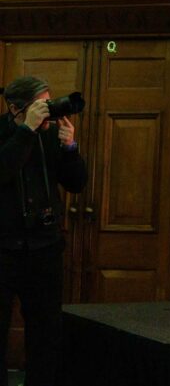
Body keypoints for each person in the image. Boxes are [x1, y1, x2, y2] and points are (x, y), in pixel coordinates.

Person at [0, 76, 87, 386]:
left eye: (49, 102)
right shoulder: (4, 132)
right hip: (4, 250)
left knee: (46, 335)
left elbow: (75, 183)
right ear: (15, 107)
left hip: (45, 248)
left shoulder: (50, 137)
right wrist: (25, 132)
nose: (48, 110)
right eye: (41, 105)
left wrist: (70, 148)